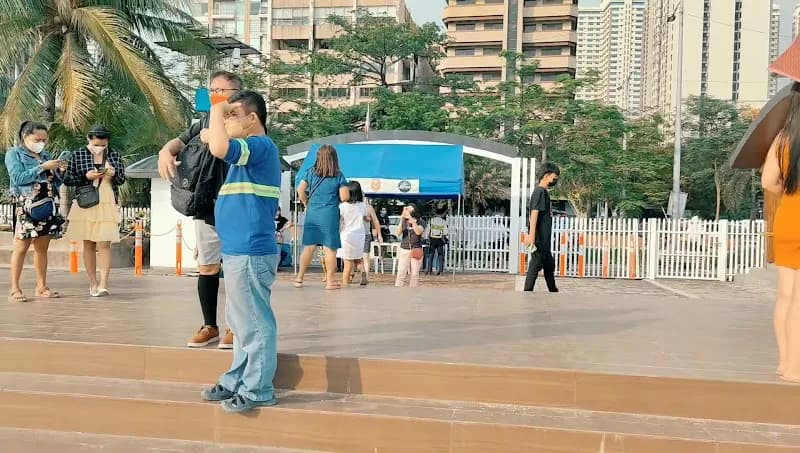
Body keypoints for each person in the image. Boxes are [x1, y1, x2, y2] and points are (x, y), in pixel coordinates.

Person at [200, 90, 282, 413]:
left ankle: (258, 388)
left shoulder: (260, 146)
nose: (227, 119)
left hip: (249, 251)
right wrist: (216, 119)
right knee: (240, 320)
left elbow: (218, 145)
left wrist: (217, 106)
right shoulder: (246, 154)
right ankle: (237, 379)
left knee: (254, 324)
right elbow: (214, 140)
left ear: (252, 120)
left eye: (233, 114)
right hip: (238, 251)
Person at [158, 70, 243, 349]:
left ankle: (235, 327)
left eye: (222, 92)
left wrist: (212, 134)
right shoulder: (203, 121)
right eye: (212, 90)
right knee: (207, 267)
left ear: (235, 96)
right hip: (207, 203)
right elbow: (178, 142)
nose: (215, 96)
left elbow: (222, 146)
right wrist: (165, 152)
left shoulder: (243, 121)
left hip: (236, 204)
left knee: (234, 269)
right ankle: (210, 325)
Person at [762, 83, 800, 382]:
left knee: (786, 295)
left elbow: (768, 182)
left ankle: (785, 361)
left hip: (788, 218)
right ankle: (796, 367)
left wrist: (788, 191)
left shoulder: (783, 139)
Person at [5, 122, 65, 302]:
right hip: (27, 204)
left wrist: (59, 172)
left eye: (44, 140)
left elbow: (55, 182)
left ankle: (41, 286)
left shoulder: (44, 155)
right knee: (21, 246)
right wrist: (42, 167)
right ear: (25, 136)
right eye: (37, 139)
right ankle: (15, 288)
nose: (41, 143)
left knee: (42, 247)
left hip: (46, 203)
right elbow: (18, 178)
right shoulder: (14, 154)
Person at [63, 124, 126, 297]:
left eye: (103, 144)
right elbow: (68, 178)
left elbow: (121, 179)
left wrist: (112, 174)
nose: (99, 147)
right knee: (88, 243)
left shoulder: (113, 155)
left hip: (106, 199)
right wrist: (86, 176)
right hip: (86, 200)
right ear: (89, 140)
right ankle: (93, 283)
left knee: (105, 243)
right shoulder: (79, 154)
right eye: (96, 144)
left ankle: (104, 283)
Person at [295, 145, 349, 289]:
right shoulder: (338, 175)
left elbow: (300, 190)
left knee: (309, 247)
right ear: (334, 158)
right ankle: (330, 281)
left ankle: (299, 278)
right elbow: (344, 196)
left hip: (312, 213)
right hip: (329, 214)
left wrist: (307, 202)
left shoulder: (310, 172)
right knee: (329, 248)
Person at [523, 163, 560, 293]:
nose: (556, 180)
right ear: (546, 176)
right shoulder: (539, 192)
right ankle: (527, 291)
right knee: (536, 264)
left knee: (549, 265)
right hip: (539, 237)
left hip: (544, 238)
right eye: (554, 177)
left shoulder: (543, 192)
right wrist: (532, 235)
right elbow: (534, 213)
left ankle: (553, 291)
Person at [337, 181, 368, 288]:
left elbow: (339, 220)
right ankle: (363, 273)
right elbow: (366, 218)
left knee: (347, 263)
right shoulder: (362, 206)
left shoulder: (342, 206)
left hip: (347, 235)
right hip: (359, 236)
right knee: (358, 258)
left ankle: (345, 285)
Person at [395, 203, 425, 287]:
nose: (407, 211)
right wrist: (402, 218)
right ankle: (398, 291)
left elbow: (418, 232)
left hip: (416, 249)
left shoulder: (421, 221)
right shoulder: (404, 221)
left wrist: (413, 221)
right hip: (404, 248)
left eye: (409, 209)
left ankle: (412, 291)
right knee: (401, 272)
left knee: (414, 274)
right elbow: (397, 233)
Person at [359, 198, 383, 286]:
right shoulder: (350, 206)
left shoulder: (368, 207)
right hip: (354, 234)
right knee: (355, 257)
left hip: (365, 234)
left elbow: (375, 221)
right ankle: (354, 274)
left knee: (365, 256)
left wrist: (378, 235)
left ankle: (365, 276)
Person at [426, 208, 448, 275]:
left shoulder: (431, 220)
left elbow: (428, 230)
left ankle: (429, 271)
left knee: (431, 255)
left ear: (436, 214)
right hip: (440, 240)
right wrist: (446, 238)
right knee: (440, 256)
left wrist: (426, 237)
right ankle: (440, 271)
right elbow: (445, 232)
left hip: (432, 239)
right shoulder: (443, 221)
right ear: (441, 214)